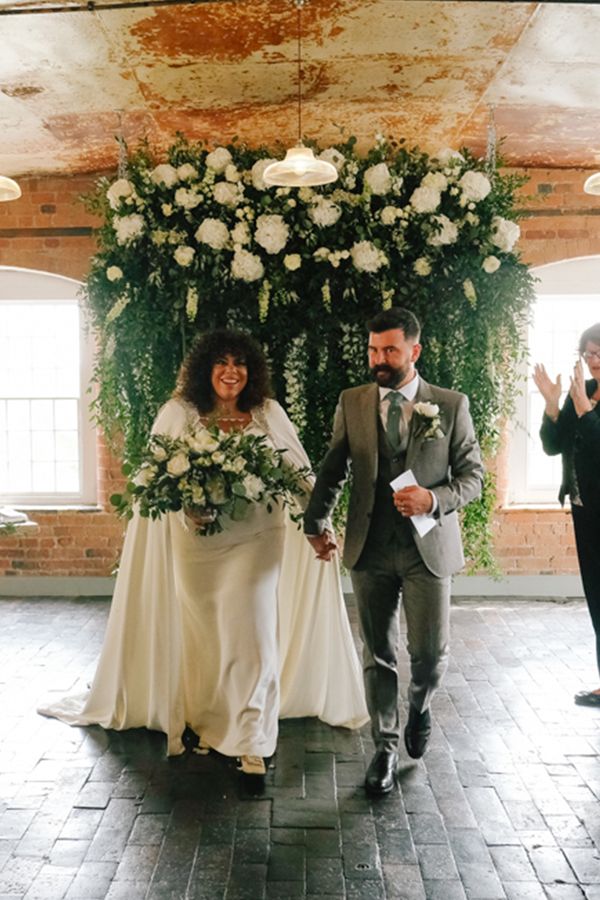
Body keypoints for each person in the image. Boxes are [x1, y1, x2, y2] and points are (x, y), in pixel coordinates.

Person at [39, 329, 368, 775]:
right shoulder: (179, 413)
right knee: (206, 636)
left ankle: (251, 738)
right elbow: (153, 483)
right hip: (196, 544)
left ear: (252, 371)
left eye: (240, 363)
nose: (231, 372)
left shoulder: (268, 413)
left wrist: (320, 525)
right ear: (204, 369)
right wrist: (187, 508)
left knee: (253, 633)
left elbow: (298, 474)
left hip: (258, 538)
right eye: (221, 362)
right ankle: (204, 718)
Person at [303, 307, 484, 794]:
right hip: (371, 547)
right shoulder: (353, 401)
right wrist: (315, 522)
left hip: (428, 548)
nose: (379, 359)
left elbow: (473, 478)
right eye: (373, 350)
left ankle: (419, 707)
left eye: (389, 350)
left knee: (428, 654)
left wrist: (433, 499)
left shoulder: (450, 404)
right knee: (377, 654)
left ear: (414, 351)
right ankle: (383, 747)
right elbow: (334, 467)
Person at [533, 322, 600, 707]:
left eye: (599, 353)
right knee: (596, 596)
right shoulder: (583, 390)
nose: (592, 361)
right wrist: (552, 405)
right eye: (587, 353)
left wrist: (586, 412)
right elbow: (553, 446)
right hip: (584, 509)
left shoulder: (586, 400)